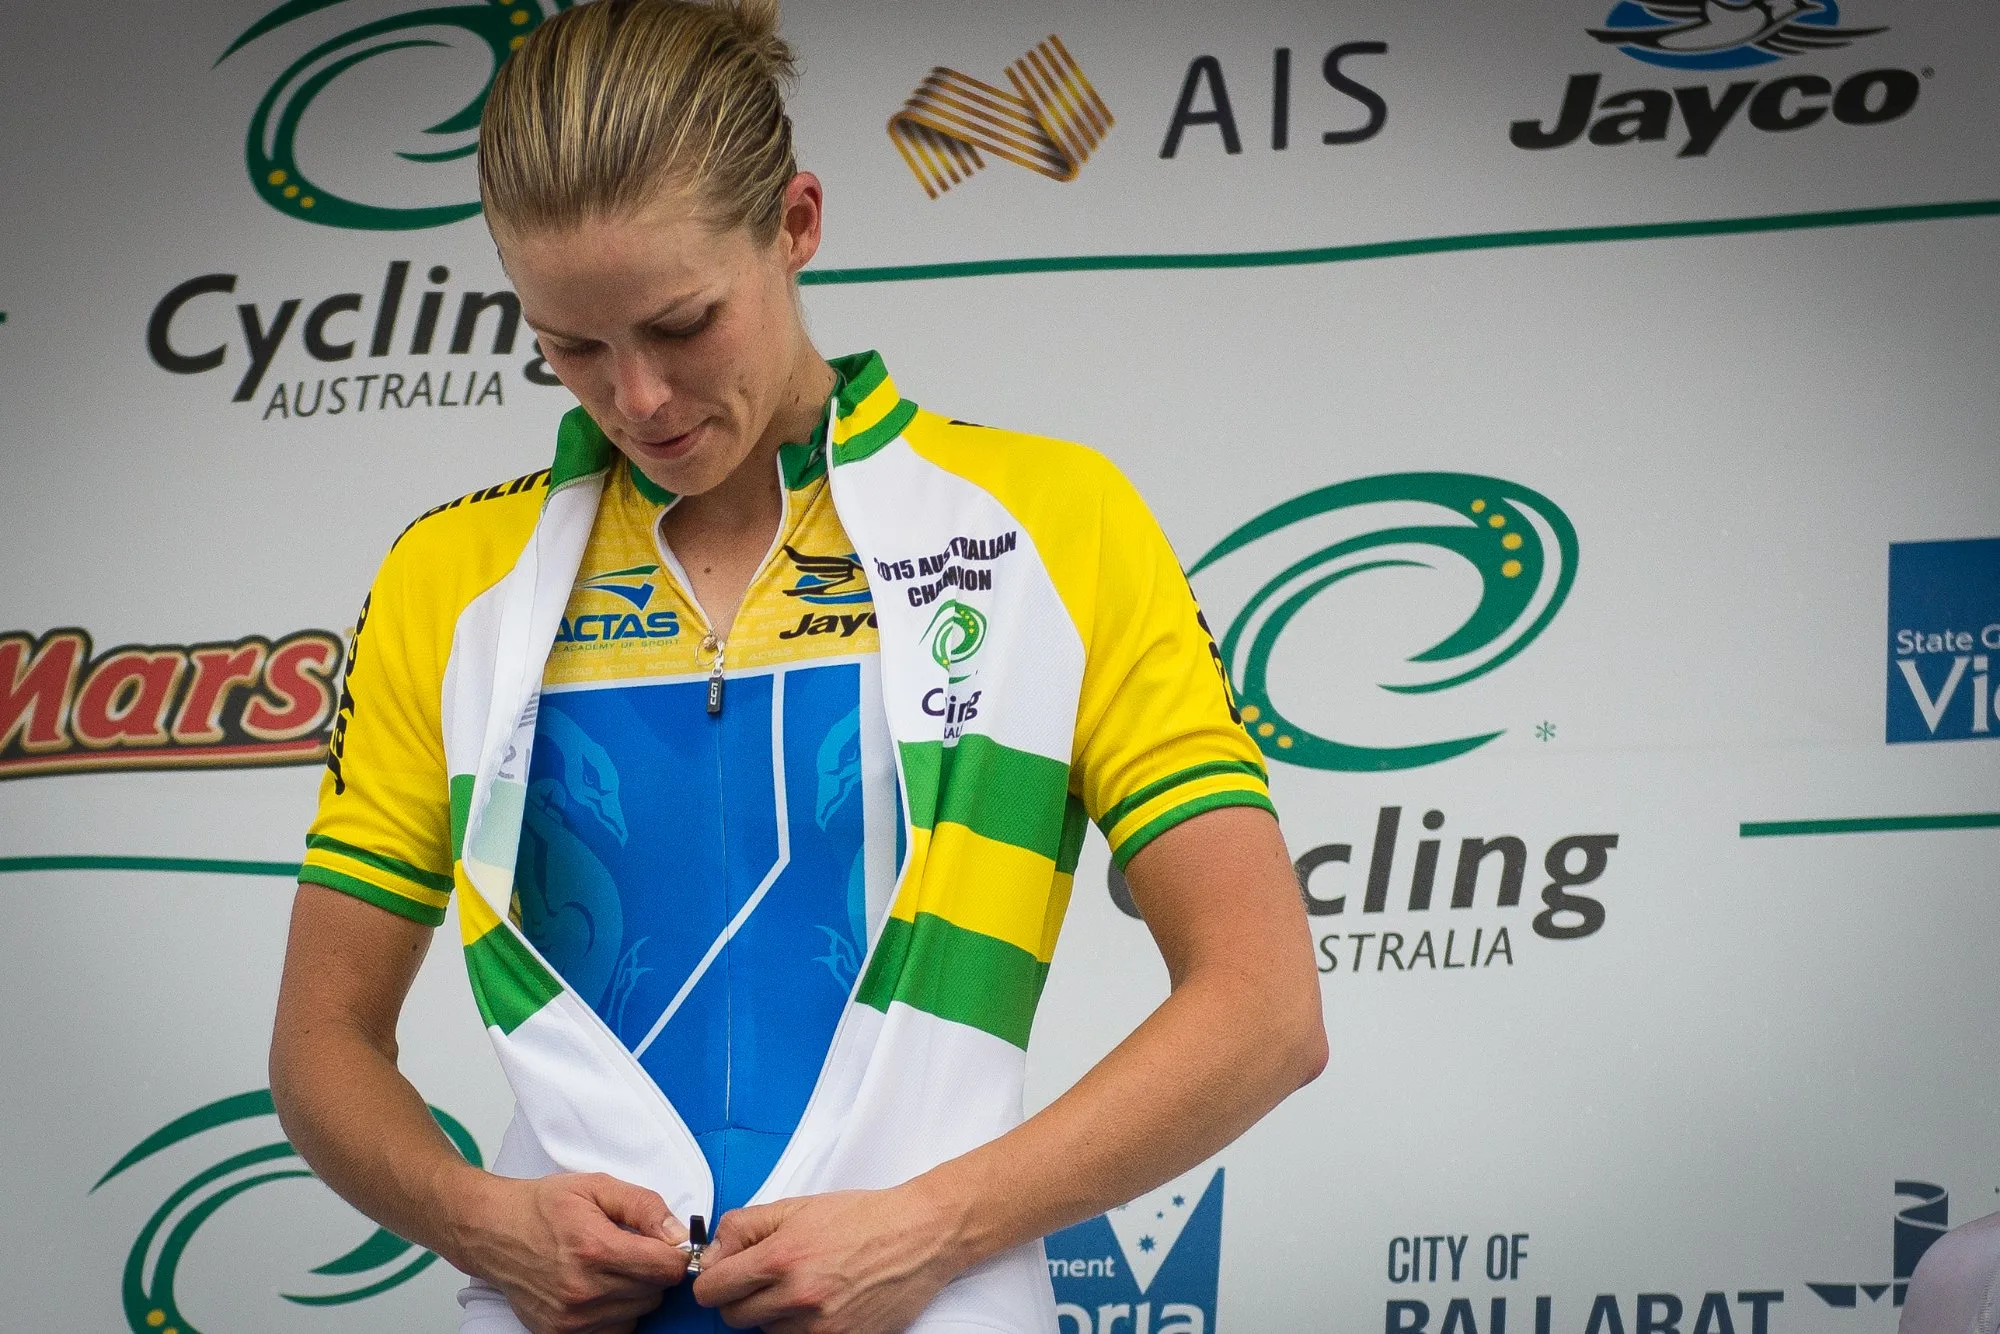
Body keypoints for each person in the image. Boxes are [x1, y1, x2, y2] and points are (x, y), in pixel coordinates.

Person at [268, 2, 1327, 1331]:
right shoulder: (450, 577)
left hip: (932, 1302)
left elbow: (1265, 1006)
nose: (638, 397)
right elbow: (320, 1042)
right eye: (573, 346)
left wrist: (938, 1226)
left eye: (683, 323)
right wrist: (478, 1218)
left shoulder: (1052, 526)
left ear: (797, 222)